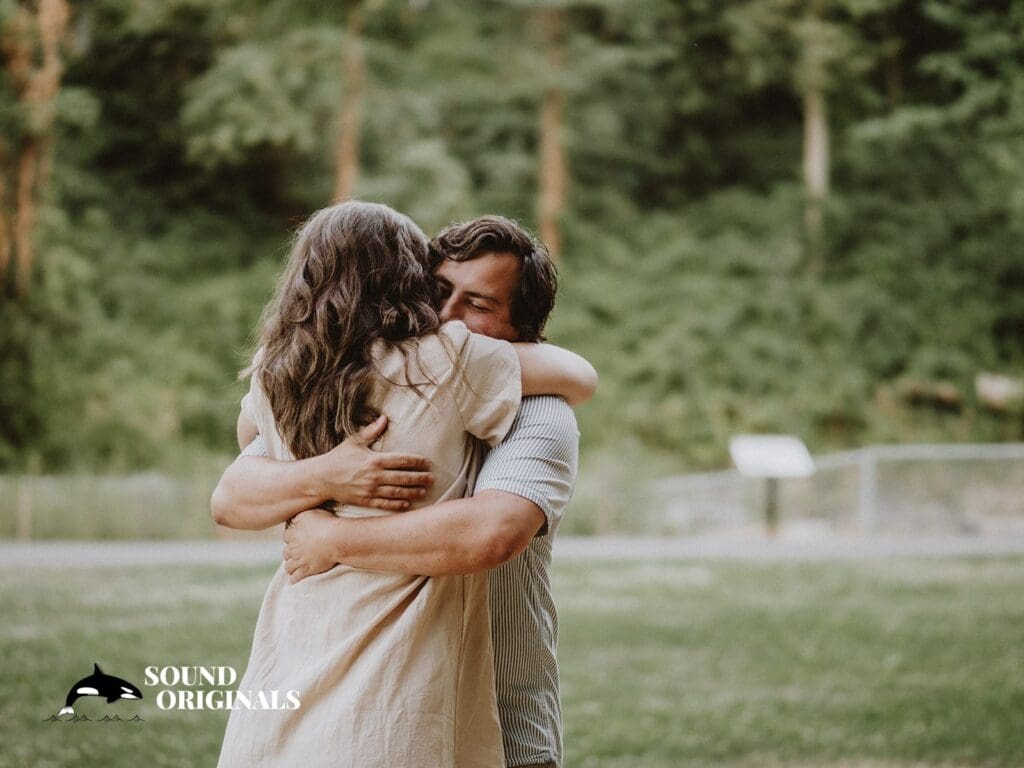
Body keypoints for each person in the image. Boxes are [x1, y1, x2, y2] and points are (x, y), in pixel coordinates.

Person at [214, 202, 595, 768]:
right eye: (437, 290)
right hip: (343, 704)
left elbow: (491, 532)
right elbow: (232, 494)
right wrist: (325, 472)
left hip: (502, 723)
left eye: (478, 304)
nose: (446, 314)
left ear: (524, 331)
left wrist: (331, 540)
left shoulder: (537, 412)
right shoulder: (368, 382)